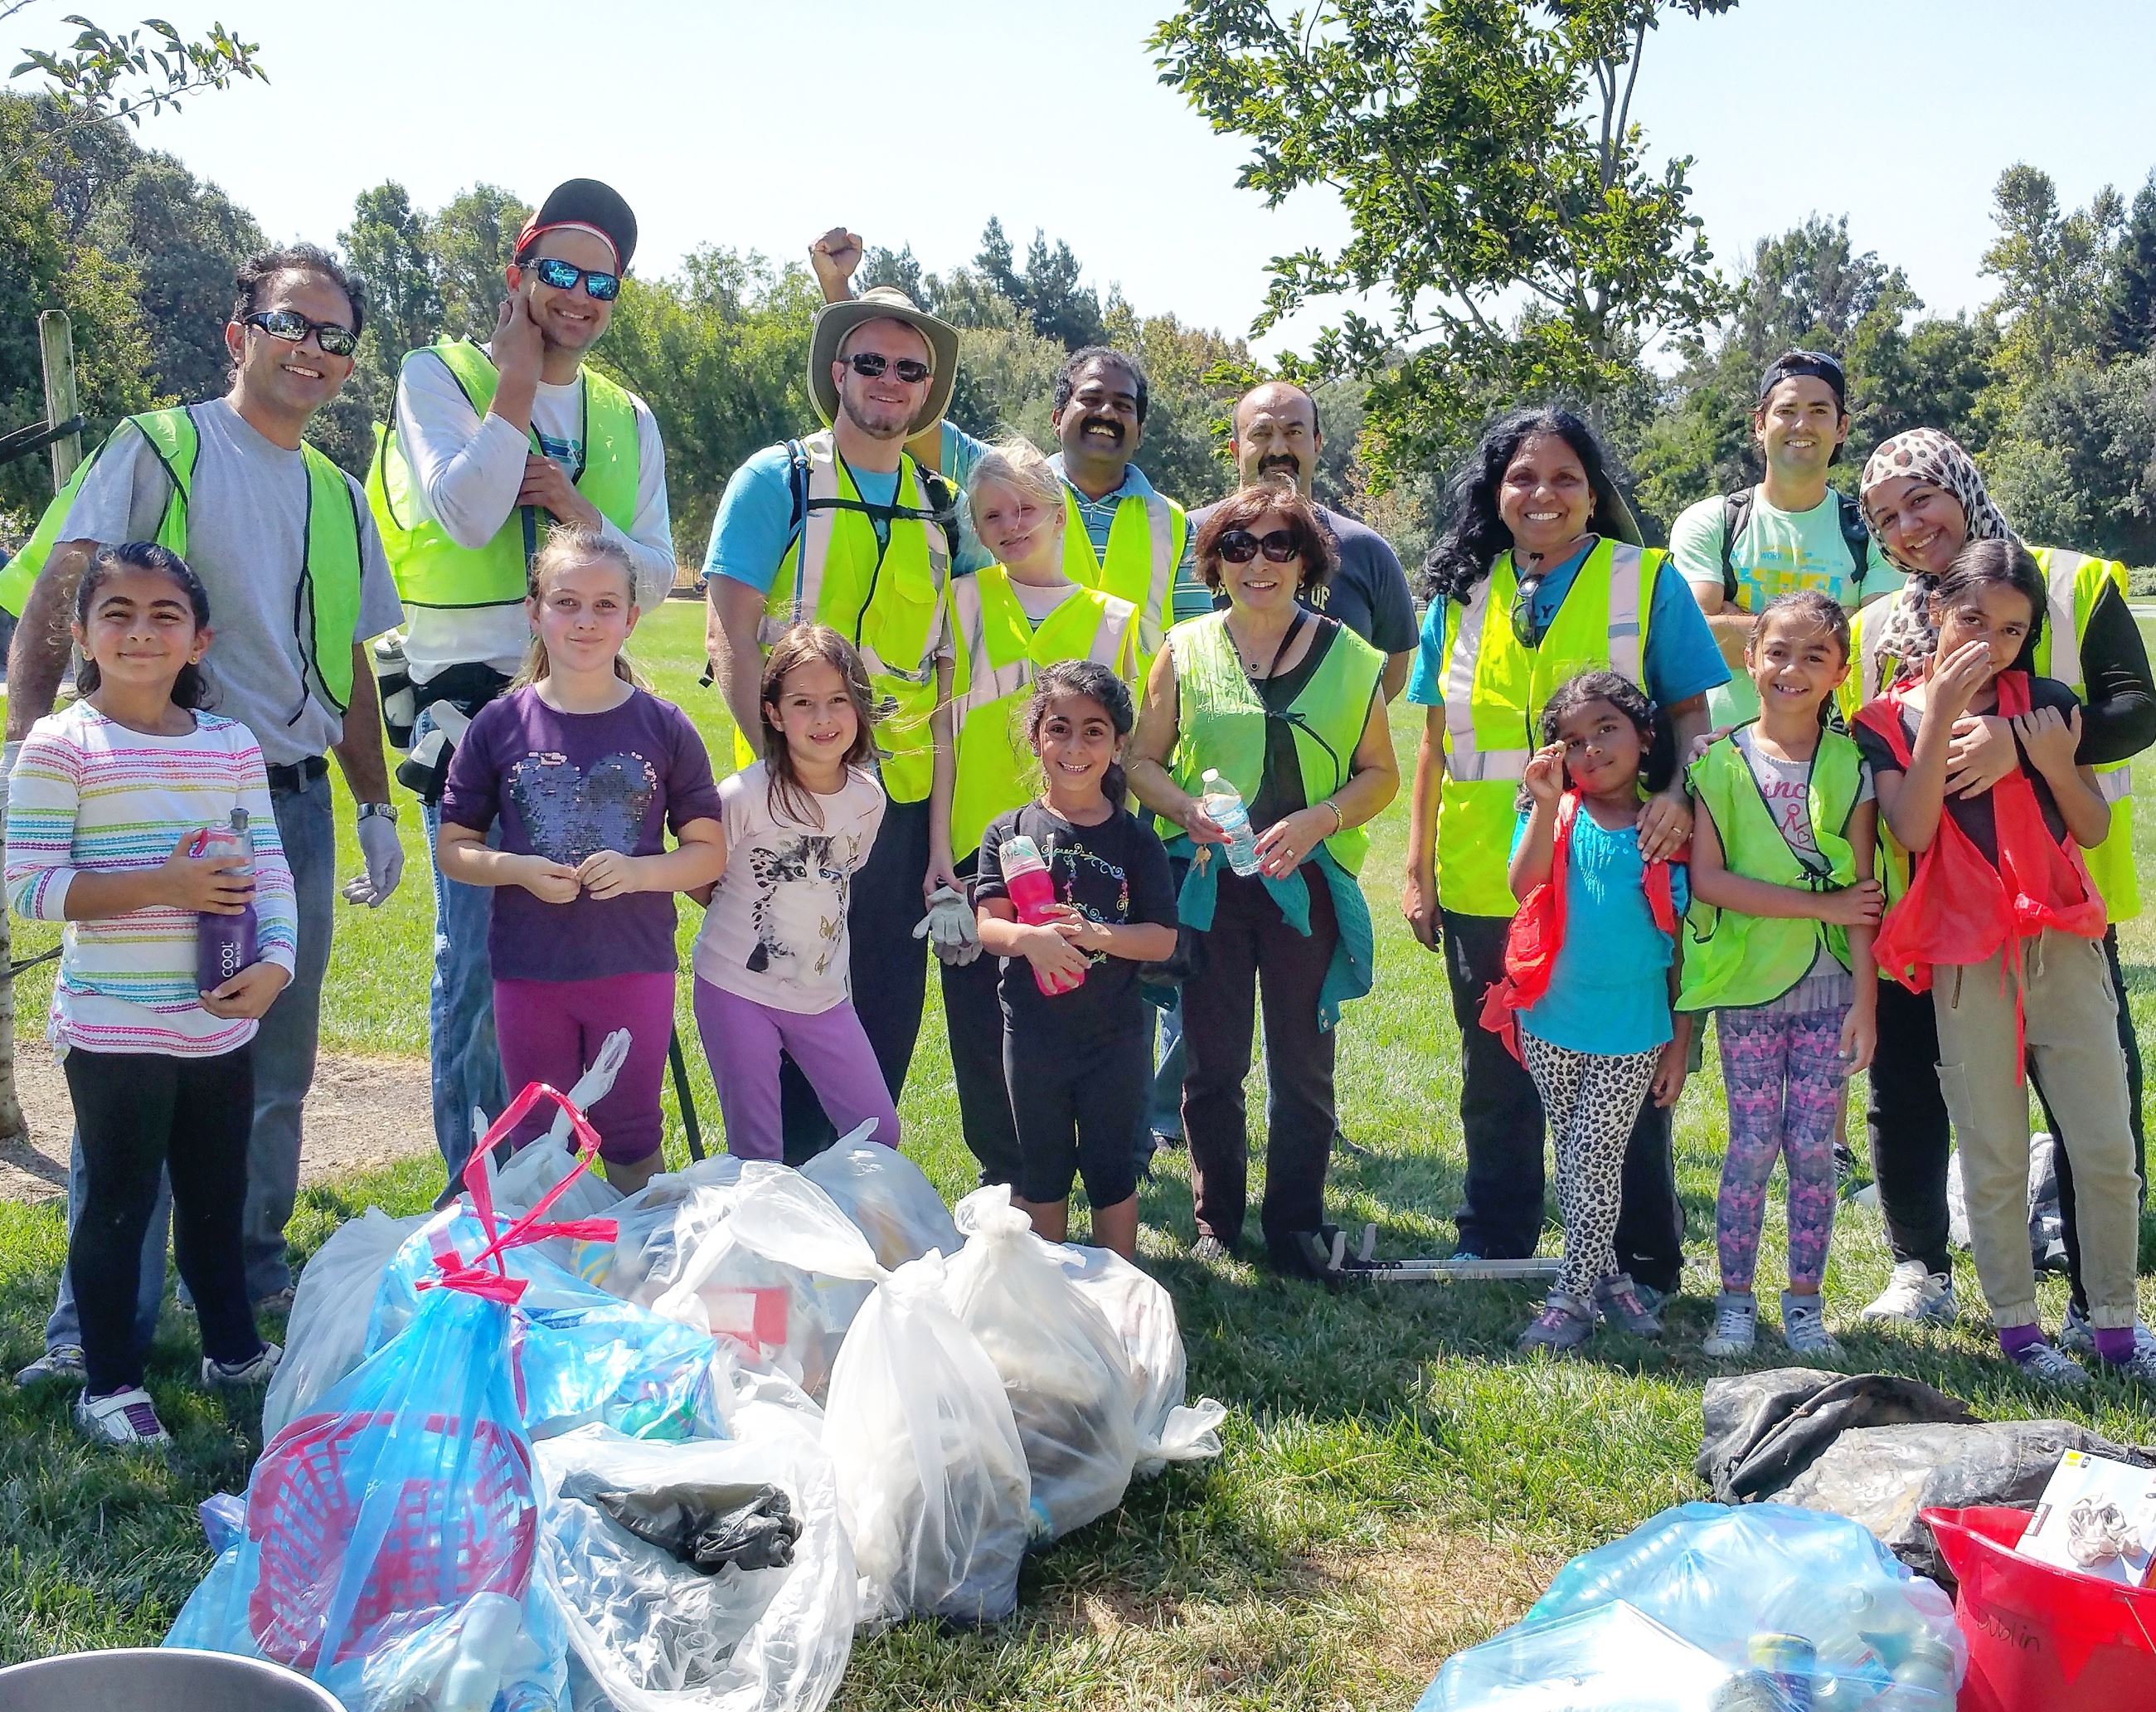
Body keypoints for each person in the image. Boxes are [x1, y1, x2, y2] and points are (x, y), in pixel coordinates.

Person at [5, 246, 404, 1392]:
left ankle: (242, 1292)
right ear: (240, 335)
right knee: (129, 1068)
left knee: (266, 1057)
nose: (313, 351)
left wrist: (372, 798)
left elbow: (352, 662)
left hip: (281, 802)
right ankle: (95, 1330)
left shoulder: (336, 494)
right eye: (293, 324)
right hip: (142, 798)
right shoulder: (161, 444)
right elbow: (64, 584)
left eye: (336, 337)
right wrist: (29, 748)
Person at [369, 178, 674, 1185]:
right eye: (558, 271)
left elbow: (660, 573)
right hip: (468, 714)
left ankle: (578, 1177)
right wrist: (511, 388)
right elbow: (463, 513)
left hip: (590, 717)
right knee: (481, 958)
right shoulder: (439, 374)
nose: (578, 296)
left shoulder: (626, 413)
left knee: (590, 951)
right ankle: (483, 1189)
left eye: (602, 281)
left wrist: (578, 506)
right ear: (518, 272)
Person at [1401, 408, 1726, 1302]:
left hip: (1604, 880)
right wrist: (1417, 866)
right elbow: (1435, 742)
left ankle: (1640, 1262)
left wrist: (1674, 796)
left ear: (1593, 492)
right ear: (1493, 493)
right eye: (1520, 478)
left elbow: (1693, 719)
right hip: (1485, 873)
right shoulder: (1458, 593)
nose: (1540, 495)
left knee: (1620, 1070)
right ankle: (1496, 1237)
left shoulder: (1645, 580)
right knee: (1495, 1073)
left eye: (1563, 478)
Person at [1847, 429, 2156, 1351]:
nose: (1907, 528)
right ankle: (1923, 1271)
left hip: (2060, 901)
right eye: (1884, 518)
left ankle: (2096, 1300)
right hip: (1929, 914)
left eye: (1920, 502)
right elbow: (1871, 772)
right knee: (1914, 1090)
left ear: (1962, 487)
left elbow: (2134, 707)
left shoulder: (2070, 580)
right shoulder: (1873, 626)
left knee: (2094, 1106)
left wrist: (2020, 744)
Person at [6, 545, 292, 1445]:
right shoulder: (62, 744)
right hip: (112, 1026)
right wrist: (162, 888)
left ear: (198, 640)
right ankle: (110, 1385)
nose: (140, 630)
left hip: (217, 1023)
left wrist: (275, 965)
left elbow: (269, 869)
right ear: (83, 633)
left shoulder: (231, 744)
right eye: (117, 612)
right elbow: (27, 888)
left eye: (164, 614)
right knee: (119, 1203)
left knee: (216, 1194)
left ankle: (233, 1349)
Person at [703, 284, 964, 1162]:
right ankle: (775, 1208)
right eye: (870, 363)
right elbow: (729, 632)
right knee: (779, 1006)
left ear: (926, 389)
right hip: (787, 810)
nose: (889, 380)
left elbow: (945, 671)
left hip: (892, 804)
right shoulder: (775, 479)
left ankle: (852, 1199)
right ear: (837, 374)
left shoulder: (943, 501)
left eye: (909, 368)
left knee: (880, 1017)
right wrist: (779, 777)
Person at [1128, 485, 1397, 1272]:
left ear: (1306, 559)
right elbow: (1141, 761)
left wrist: (1322, 820)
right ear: (1216, 562)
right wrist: (1183, 809)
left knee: (1304, 1067)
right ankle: (1217, 1223)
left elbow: (1380, 773)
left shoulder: (1352, 657)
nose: (1258, 562)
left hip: (1303, 892)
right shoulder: (1184, 649)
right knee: (1212, 1064)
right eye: (1238, 546)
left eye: (1279, 545)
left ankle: (1294, 1228)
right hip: (1209, 885)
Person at [435, 528, 721, 1195]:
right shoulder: (499, 726)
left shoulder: (664, 726)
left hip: (632, 967)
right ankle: (555, 1280)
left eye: (604, 605)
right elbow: (455, 848)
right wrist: (517, 869)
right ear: (533, 612)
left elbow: (708, 851)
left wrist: (642, 872)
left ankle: (631, 1273)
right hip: (530, 971)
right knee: (541, 1136)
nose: (585, 621)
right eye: (566, 603)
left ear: (631, 618)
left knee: (630, 1133)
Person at [1680, 593, 1881, 1359]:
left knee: (1812, 1152)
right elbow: (1709, 880)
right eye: (1779, 652)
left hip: (1829, 992)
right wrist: (1814, 902)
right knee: (1752, 1144)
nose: (1792, 670)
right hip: (1750, 988)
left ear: (1840, 672)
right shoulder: (1721, 761)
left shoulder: (1850, 767)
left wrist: (1865, 998)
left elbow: (1863, 898)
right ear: (1750, 656)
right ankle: (1734, 1303)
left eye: (1815, 657)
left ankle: (1805, 1303)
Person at [937, 440, 1141, 1187]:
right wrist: (938, 851)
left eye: (1025, 508)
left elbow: (1125, 750)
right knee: (981, 1023)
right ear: (979, 531)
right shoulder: (962, 603)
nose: (1011, 524)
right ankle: (1007, 1179)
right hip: (976, 848)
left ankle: (1101, 1171)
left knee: (1086, 1014)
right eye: (993, 516)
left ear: (1058, 514)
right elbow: (943, 737)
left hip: (1081, 853)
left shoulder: (1113, 620)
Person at [1489, 674, 1691, 1352]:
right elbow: (1524, 885)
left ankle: (1571, 1297)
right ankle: (1611, 1280)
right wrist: (1545, 803)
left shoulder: (1665, 827)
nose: (1592, 749)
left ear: (1645, 738)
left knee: (1594, 1154)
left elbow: (1683, 948)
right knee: (1577, 1156)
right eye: (1573, 740)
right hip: (1549, 1018)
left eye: (1607, 729)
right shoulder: (1558, 814)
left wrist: (1680, 1039)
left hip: (1633, 1029)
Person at [974, 661, 1178, 1259]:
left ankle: (1117, 1292)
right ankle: (1053, 1295)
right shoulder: (1009, 833)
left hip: (1114, 1038)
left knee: (1112, 1170)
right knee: (1044, 1169)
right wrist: (1027, 940)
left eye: (1094, 731)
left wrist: (1098, 933)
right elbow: (989, 924)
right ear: (1036, 736)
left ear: (1118, 746)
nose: (1074, 746)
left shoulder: (1137, 840)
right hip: (1033, 1034)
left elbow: (1162, 939)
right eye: (1058, 728)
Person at [692, 625, 900, 1161]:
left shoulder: (868, 799)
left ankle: (846, 1236)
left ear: (860, 706)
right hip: (736, 991)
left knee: (878, 1134)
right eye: (804, 703)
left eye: (838, 701)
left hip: (824, 998)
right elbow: (700, 875)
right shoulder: (743, 796)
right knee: (757, 1151)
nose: (824, 718)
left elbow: (842, 876)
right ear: (775, 714)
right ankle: (761, 1243)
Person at [1670, 351, 1900, 727]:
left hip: (1838, 756)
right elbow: (1691, 637)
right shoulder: (1712, 522)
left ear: (1842, 428)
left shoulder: (1872, 529)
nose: (1802, 425)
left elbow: (1875, 649)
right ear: (1760, 424)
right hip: (1719, 756)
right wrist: (1835, 628)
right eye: (1787, 410)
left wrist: (1738, 619)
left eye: (1819, 411)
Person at [1182, 381, 1420, 699]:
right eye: (1261, 434)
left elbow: (1393, 667)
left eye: (1294, 433)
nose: (1279, 450)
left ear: (1317, 444)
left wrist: (1340, 728)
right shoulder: (1187, 538)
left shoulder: (1365, 550)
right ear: (1236, 450)